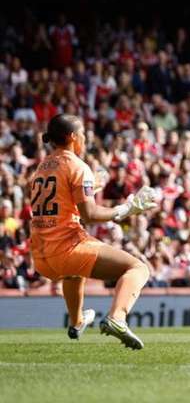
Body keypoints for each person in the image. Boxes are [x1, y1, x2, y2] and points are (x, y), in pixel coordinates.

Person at [29, 114, 158, 349]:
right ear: (73, 137)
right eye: (83, 135)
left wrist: (92, 185)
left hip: (41, 256)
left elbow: (59, 197)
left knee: (73, 273)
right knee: (138, 268)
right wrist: (127, 208)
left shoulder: (42, 167)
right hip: (67, 248)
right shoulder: (77, 166)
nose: (86, 140)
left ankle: (77, 322)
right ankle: (117, 318)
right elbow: (90, 215)